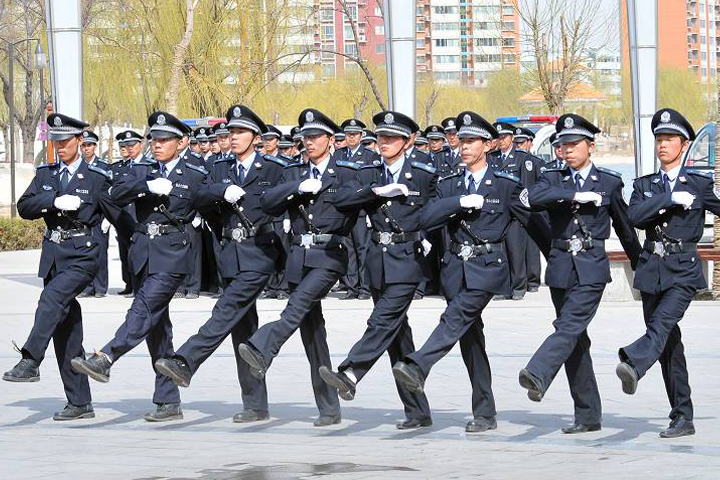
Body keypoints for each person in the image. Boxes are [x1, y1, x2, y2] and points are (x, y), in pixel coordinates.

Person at [393, 111, 549, 433]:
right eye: (462, 141)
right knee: (470, 338)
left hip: (488, 268)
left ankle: (419, 364)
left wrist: (556, 259)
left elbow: (534, 224)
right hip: (455, 269)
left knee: (455, 317)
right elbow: (427, 219)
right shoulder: (450, 183)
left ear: (488, 145)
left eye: (471, 141)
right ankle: (485, 412)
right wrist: (460, 202)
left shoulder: (505, 184)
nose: (464, 147)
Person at [70, 111, 209, 422]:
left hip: (173, 255)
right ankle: (168, 401)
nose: (157, 144)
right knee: (158, 329)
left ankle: (107, 356)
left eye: (164, 139)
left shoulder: (194, 173)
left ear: (181, 142)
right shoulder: (144, 170)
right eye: (154, 139)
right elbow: (112, 195)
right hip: (144, 252)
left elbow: (211, 200)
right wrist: (145, 186)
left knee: (143, 308)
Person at [154, 105, 288, 423]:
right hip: (230, 255)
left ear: (256, 137)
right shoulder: (220, 167)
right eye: (232, 132)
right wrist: (221, 191)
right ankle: (255, 405)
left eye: (241, 132)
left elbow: (283, 206)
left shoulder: (273, 169)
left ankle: (186, 360)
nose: (234, 137)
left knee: (225, 310)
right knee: (242, 332)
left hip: (259, 253)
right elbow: (199, 198)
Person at [236, 108, 361, 426]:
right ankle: (329, 409)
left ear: (330, 140)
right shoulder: (293, 172)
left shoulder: (346, 172)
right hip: (299, 258)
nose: (309, 142)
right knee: (313, 334)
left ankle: (264, 347)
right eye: (306, 137)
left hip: (328, 256)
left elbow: (354, 203)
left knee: (297, 305)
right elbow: (267, 202)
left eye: (316, 136)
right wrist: (298, 188)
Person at [518, 114, 641, 433]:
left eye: (574, 144)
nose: (568, 150)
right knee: (575, 340)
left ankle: (538, 372)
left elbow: (625, 228)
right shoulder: (552, 177)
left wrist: (640, 265)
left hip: (591, 269)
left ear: (591, 146)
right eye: (563, 145)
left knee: (568, 327)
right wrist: (572, 196)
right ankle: (587, 415)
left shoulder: (609, 182)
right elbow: (533, 199)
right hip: (560, 267)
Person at [318, 111, 435, 429]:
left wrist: (428, 238)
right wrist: (373, 192)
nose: (384, 142)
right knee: (397, 336)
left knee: (382, 321)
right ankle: (418, 411)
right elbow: (341, 200)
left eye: (392, 137)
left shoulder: (422, 172)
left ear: (408, 141)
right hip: (378, 262)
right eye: (381, 136)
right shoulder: (369, 170)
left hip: (407, 260)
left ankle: (351, 372)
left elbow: (438, 207)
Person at [616, 108, 720, 438]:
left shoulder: (699, 185)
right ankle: (682, 416)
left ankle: (633, 362)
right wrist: (670, 199)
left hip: (683, 271)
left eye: (670, 139)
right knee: (668, 345)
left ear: (684, 144)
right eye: (659, 139)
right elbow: (635, 217)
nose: (662, 144)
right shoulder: (645, 185)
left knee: (660, 326)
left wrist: (685, 196)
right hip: (652, 271)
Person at [3, 113, 114, 421]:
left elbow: (121, 215)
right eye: (56, 142)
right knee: (67, 330)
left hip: (83, 256)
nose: (60, 147)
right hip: (54, 257)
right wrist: (52, 200)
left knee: (51, 299)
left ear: (79, 140)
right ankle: (80, 403)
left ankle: (30, 359)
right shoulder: (46, 175)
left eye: (65, 142)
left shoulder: (96, 176)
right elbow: (24, 207)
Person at [488, 122, 543, 300]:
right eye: (498, 138)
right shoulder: (491, 157)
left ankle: (519, 287)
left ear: (511, 138)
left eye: (504, 137)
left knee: (515, 250)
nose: (501, 141)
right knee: (500, 251)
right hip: (497, 210)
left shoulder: (522, 158)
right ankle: (503, 287)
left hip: (514, 212)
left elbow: (525, 188)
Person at [337, 118, 375, 300]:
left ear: (361, 136)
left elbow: (372, 183)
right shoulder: (338, 155)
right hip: (344, 210)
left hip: (361, 210)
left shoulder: (369, 156)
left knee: (362, 248)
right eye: (348, 134)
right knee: (347, 249)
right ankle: (352, 287)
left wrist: (370, 211)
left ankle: (365, 287)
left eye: (354, 134)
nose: (351, 137)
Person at [79, 130, 112, 298]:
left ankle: (100, 287)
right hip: (82, 218)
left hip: (99, 217)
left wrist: (108, 218)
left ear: (95, 146)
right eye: (84, 145)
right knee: (84, 254)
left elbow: (110, 195)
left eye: (89, 145)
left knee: (100, 253)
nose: (86, 148)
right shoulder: (77, 166)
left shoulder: (104, 167)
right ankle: (87, 287)